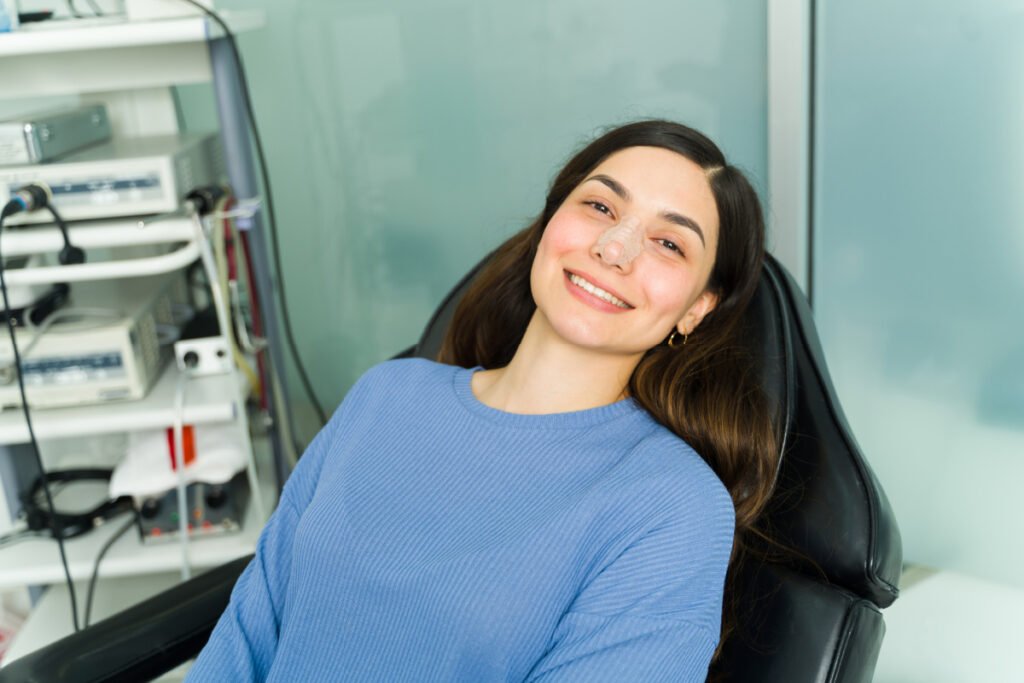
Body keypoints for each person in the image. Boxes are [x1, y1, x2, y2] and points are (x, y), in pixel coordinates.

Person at [187, 120, 777, 682]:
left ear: (698, 308)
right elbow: (248, 633)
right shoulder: (387, 395)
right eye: (600, 207)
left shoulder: (672, 506)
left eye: (669, 243)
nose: (615, 249)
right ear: (550, 224)